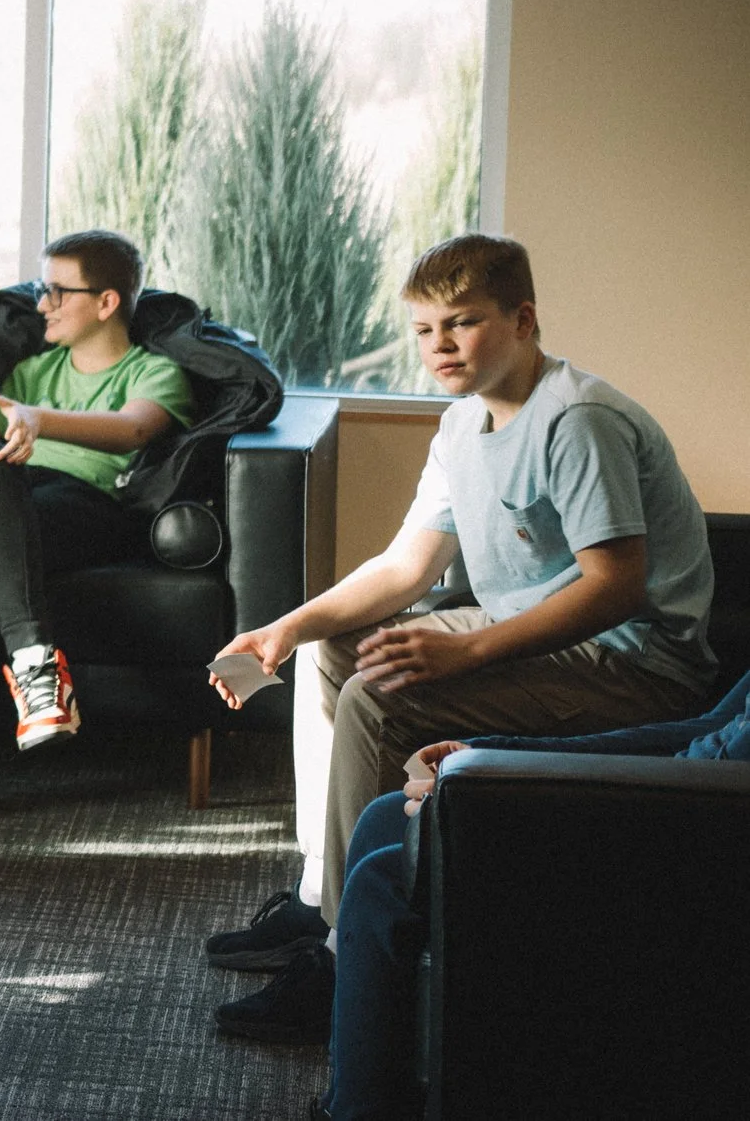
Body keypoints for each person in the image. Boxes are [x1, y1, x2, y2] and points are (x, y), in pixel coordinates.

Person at [205, 232, 715, 1044]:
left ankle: (347, 958)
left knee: (378, 697)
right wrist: (288, 626)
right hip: (534, 629)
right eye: (424, 329)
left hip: (636, 660)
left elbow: (615, 585)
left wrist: (468, 651)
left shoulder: (576, 419)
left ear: (523, 320)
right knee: (333, 652)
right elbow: (406, 566)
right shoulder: (460, 425)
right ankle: (323, 895)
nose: (439, 344)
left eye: (462, 322)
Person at [319, 668, 750, 1121]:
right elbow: (707, 728)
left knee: (380, 883)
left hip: (680, 841)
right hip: (665, 798)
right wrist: (493, 753)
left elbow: (720, 794)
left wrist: (490, 787)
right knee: (383, 819)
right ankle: (350, 1090)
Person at [0, 229, 192, 825]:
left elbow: (132, 429)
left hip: (90, 504)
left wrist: (39, 420)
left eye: (57, 292)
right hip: (12, 501)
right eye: (42, 291)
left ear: (107, 302)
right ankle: (35, 665)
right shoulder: (33, 370)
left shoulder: (152, 372)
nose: (42, 304)